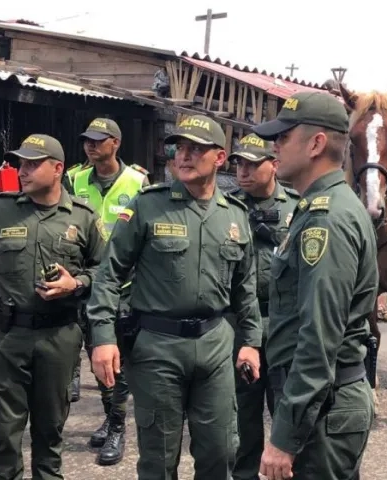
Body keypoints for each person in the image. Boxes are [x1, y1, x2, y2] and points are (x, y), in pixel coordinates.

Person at [86, 114, 263, 479]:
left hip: (215, 346)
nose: (183, 156)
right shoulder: (148, 205)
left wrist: (250, 342)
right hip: (157, 348)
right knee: (159, 458)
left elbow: (245, 287)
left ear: (219, 157)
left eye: (196, 149)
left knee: (220, 451)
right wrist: (103, 338)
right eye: (179, 148)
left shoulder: (235, 215)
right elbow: (109, 275)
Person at [0, 133, 105, 480]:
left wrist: (76, 284)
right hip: (7, 337)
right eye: (21, 164)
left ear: (58, 169)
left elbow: (105, 269)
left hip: (58, 337)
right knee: (3, 432)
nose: (23, 171)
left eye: (33, 165)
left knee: (50, 432)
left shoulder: (82, 217)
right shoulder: (2, 208)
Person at [252, 91, 378, 480]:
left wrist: (285, 438)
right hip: (323, 403)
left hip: (324, 409)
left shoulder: (327, 218)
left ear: (316, 144)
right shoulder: (319, 206)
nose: (274, 147)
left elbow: (318, 337)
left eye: (283, 137)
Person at [69, 117, 150, 466]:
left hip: (125, 287)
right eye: (87, 140)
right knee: (97, 357)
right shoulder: (74, 179)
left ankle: (117, 427)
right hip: (88, 283)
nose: (90, 145)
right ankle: (109, 416)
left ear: (115, 143)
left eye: (98, 140)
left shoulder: (138, 181)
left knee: (117, 361)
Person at [226, 133, 300, 480]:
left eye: (253, 164)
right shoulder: (227, 209)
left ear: (274, 165)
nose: (243, 171)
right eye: (239, 164)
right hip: (240, 328)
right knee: (242, 415)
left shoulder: (297, 208)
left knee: (287, 411)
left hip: (284, 325)